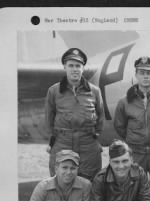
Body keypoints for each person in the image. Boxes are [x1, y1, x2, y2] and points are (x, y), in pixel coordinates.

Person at [45, 48, 105, 180]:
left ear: (83, 68)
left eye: (78, 66)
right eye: (71, 65)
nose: (75, 69)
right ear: (64, 67)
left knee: (90, 181)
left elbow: (100, 116)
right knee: (61, 180)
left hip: (88, 142)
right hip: (63, 141)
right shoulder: (53, 91)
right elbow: (49, 118)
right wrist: (52, 142)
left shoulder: (94, 91)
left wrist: (96, 137)